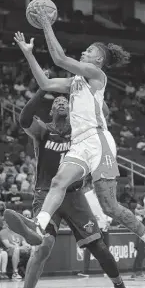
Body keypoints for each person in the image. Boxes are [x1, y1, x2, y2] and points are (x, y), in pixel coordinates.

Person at [5, 18, 145, 275]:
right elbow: (46, 84)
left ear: (99, 60)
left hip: (98, 141)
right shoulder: (75, 83)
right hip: (80, 144)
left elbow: (59, 58)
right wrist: (28, 55)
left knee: (110, 207)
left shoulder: (96, 75)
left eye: (89, 51)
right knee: (59, 181)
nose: (84, 52)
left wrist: (46, 24)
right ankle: (39, 224)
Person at [8, 91, 125, 288]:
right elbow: (24, 119)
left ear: (71, 109)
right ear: (51, 110)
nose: (62, 103)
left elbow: (103, 113)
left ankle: (120, 285)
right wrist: (41, 91)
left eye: (65, 101)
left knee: (99, 247)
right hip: (46, 194)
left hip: (74, 195)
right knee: (43, 247)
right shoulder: (44, 131)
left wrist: (90, 93)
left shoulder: (81, 133)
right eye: (57, 102)